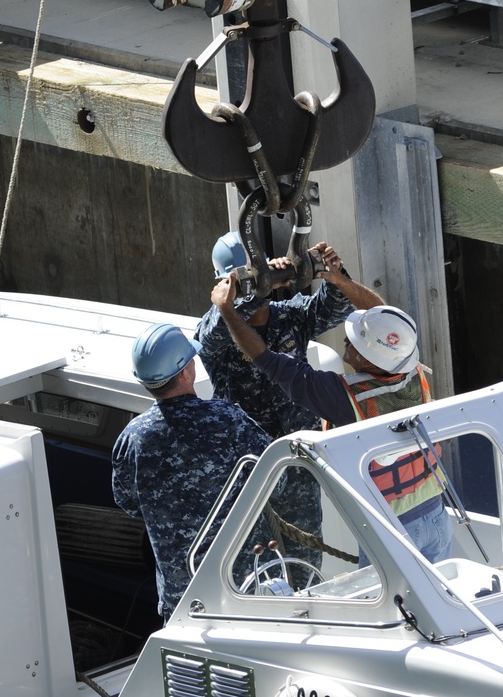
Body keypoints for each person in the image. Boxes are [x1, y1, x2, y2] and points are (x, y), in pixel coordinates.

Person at [209, 279, 452, 564]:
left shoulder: (343, 397)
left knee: (387, 609)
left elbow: (267, 360)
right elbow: (387, 322)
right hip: (436, 516)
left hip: (390, 530)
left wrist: (226, 310)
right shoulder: (410, 366)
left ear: (369, 358)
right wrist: (338, 278)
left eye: (356, 341)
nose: (346, 340)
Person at [195, 231, 381, 565]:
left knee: (306, 560)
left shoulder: (290, 316)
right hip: (250, 469)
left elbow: (335, 309)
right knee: (256, 563)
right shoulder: (218, 330)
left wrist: (329, 272)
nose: (253, 287)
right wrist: (259, 286)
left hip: (297, 463)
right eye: (244, 280)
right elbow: (210, 334)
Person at [111, 322, 271, 621]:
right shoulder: (228, 419)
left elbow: (128, 503)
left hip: (182, 600)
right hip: (242, 589)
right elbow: (278, 477)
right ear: (185, 372)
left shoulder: (132, 438)